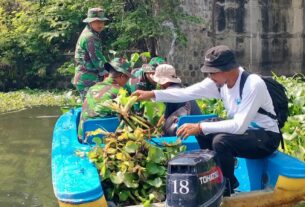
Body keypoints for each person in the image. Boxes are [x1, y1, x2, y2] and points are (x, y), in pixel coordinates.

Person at [132, 45, 282, 195]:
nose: (209, 77)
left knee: (220, 141)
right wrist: (151, 94)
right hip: (247, 133)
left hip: (266, 137)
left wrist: (200, 126)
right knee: (207, 126)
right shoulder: (219, 83)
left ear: (227, 69)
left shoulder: (252, 84)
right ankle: (214, 174)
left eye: (212, 72)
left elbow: (239, 126)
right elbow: (185, 93)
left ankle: (227, 184)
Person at [78, 58, 133, 142]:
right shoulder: (121, 92)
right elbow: (129, 118)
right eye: (127, 78)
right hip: (108, 139)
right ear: (122, 76)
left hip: (84, 137)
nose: (127, 82)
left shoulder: (92, 88)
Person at [150, 64, 201, 136]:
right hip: (198, 133)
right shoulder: (181, 90)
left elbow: (165, 121)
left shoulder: (171, 94)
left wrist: (154, 132)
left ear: (164, 82)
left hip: (185, 135)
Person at [73, 8, 109, 101]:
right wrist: (109, 73)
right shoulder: (90, 37)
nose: (100, 24)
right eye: (97, 22)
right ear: (90, 22)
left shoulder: (89, 33)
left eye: (102, 22)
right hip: (88, 79)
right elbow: (97, 59)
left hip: (86, 78)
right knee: (91, 107)